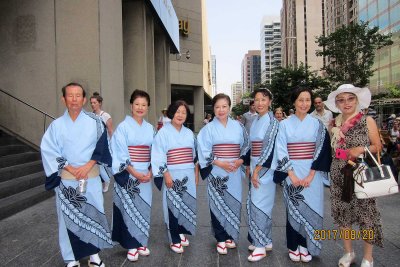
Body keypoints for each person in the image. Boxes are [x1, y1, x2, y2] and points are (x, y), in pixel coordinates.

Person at [40, 82, 112, 267]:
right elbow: (48, 150)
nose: (74, 99)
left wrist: (87, 166)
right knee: (67, 219)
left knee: (94, 215)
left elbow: (102, 147)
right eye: (70, 95)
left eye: (78, 95)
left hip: (90, 177)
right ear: (64, 99)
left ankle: (94, 255)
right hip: (67, 180)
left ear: (85, 99)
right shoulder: (56, 126)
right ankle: (71, 258)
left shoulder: (96, 123)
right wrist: (71, 168)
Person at [324, 84, 383, 267]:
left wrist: (361, 149)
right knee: (343, 216)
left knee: (367, 216)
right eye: (341, 100)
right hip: (339, 174)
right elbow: (333, 151)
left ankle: (368, 257)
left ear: (357, 100)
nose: (346, 103)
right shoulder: (333, 124)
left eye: (350, 98)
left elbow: (378, 146)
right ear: (337, 103)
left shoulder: (367, 121)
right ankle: (348, 252)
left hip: (361, 174)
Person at [272, 86, 331, 263]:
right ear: (294, 102)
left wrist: (311, 175)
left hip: (312, 173)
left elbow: (322, 151)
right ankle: (293, 245)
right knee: (293, 209)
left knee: (313, 208)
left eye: (307, 100)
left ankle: (307, 245)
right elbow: (281, 149)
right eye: (300, 100)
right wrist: (291, 175)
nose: (304, 103)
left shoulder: (318, 124)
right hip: (292, 172)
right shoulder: (283, 125)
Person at [197, 93, 250, 255]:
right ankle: (220, 237)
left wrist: (240, 161)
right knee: (217, 203)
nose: (221, 110)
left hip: (233, 169)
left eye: (224, 106)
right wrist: (219, 162)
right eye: (217, 107)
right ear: (213, 109)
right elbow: (203, 149)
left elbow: (246, 146)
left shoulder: (239, 126)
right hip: (217, 170)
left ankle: (230, 235)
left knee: (233, 202)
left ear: (229, 107)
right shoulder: (208, 129)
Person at [110, 90, 155, 262]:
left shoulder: (150, 128)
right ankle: (131, 244)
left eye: (144, 105)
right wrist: (134, 172)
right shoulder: (123, 127)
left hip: (145, 173)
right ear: (131, 106)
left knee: (143, 208)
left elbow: (155, 152)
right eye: (137, 104)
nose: (140, 107)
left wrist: (150, 171)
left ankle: (141, 241)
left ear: (148, 107)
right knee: (129, 208)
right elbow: (120, 153)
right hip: (129, 174)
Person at [151, 100, 199, 254]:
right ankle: (174, 238)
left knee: (185, 204)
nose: (180, 115)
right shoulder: (163, 132)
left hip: (188, 173)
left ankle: (180, 231)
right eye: (178, 111)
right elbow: (158, 155)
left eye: (184, 112)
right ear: (172, 112)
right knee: (172, 206)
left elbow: (194, 156)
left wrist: (195, 174)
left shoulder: (189, 133)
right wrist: (165, 174)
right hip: (172, 173)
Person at [245, 88, 280, 262]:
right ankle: (265, 240)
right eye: (257, 100)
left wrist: (257, 170)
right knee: (259, 203)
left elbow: (270, 148)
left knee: (260, 204)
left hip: (265, 167)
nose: (259, 103)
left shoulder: (273, 122)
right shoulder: (257, 120)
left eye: (263, 99)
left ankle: (259, 246)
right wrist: (249, 166)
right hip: (255, 164)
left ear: (270, 102)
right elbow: (253, 146)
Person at [90, 92, 113, 192]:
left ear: (99, 103)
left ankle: (106, 181)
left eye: (94, 102)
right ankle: (99, 182)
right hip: (94, 143)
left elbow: (110, 130)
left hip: (104, 142)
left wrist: (112, 143)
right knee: (95, 163)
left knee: (103, 163)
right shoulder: (90, 115)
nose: (92, 105)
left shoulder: (105, 115)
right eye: (91, 103)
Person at [311, 96, 334, 187]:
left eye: (319, 102)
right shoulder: (311, 116)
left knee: (329, 158)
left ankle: (328, 177)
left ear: (323, 103)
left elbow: (331, 126)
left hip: (328, 138)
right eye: (316, 103)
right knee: (320, 157)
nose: (318, 104)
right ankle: (321, 178)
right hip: (318, 141)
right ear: (314, 104)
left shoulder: (329, 113)